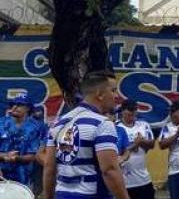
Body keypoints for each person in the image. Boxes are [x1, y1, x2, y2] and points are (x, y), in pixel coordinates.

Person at [43, 70, 130, 199]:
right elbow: (109, 170)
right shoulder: (102, 124)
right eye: (113, 90)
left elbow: (49, 167)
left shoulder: (58, 124)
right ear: (100, 94)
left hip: (62, 194)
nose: (116, 95)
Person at [117, 100, 156, 199]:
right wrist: (135, 144)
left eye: (134, 110)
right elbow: (116, 151)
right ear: (122, 111)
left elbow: (152, 144)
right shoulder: (116, 127)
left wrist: (142, 142)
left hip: (143, 179)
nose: (132, 113)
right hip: (124, 181)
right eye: (129, 110)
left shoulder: (143, 125)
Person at [0, 94, 40, 187]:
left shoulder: (34, 128)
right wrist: (4, 156)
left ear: (28, 108)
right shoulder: (1, 124)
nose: (14, 107)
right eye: (13, 104)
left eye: (19, 104)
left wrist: (16, 158)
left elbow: (33, 156)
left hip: (23, 179)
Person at [32, 105, 49, 197]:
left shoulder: (45, 126)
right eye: (36, 111)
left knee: (38, 183)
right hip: (28, 157)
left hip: (39, 157)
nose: (38, 113)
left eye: (39, 111)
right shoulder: (28, 125)